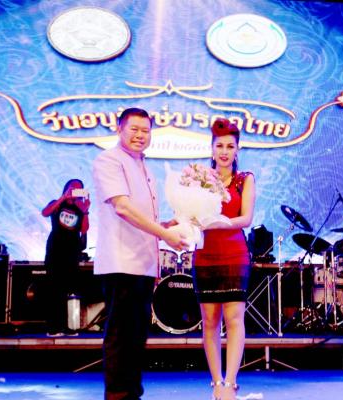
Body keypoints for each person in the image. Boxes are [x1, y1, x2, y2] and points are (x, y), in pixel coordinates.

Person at [92, 107, 188, 400]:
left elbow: (142, 216)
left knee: (136, 336)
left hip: (143, 264)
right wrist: (164, 235)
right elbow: (122, 208)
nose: (140, 135)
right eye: (133, 129)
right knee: (121, 334)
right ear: (119, 129)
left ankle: (132, 393)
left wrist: (167, 226)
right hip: (121, 262)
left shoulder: (143, 166)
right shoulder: (109, 160)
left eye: (145, 130)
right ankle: (118, 394)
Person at [192, 118, 256, 400]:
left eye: (230, 146)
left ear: (237, 149)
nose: (225, 152)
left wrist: (219, 222)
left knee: (234, 319)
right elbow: (192, 215)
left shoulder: (246, 179)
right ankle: (216, 382)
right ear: (212, 148)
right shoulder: (199, 179)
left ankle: (230, 383)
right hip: (205, 254)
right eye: (220, 146)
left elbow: (246, 218)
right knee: (209, 321)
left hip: (234, 254)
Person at [42, 179, 90, 337]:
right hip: (55, 251)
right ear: (66, 188)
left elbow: (84, 229)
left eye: (78, 189)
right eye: (72, 188)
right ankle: (53, 327)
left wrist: (85, 211)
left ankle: (67, 326)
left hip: (72, 252)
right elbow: (45, 212)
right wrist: (63, 198)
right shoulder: (57, 203)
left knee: (68, 290)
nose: (74, 191)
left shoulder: (79, 208)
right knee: (54, 290)